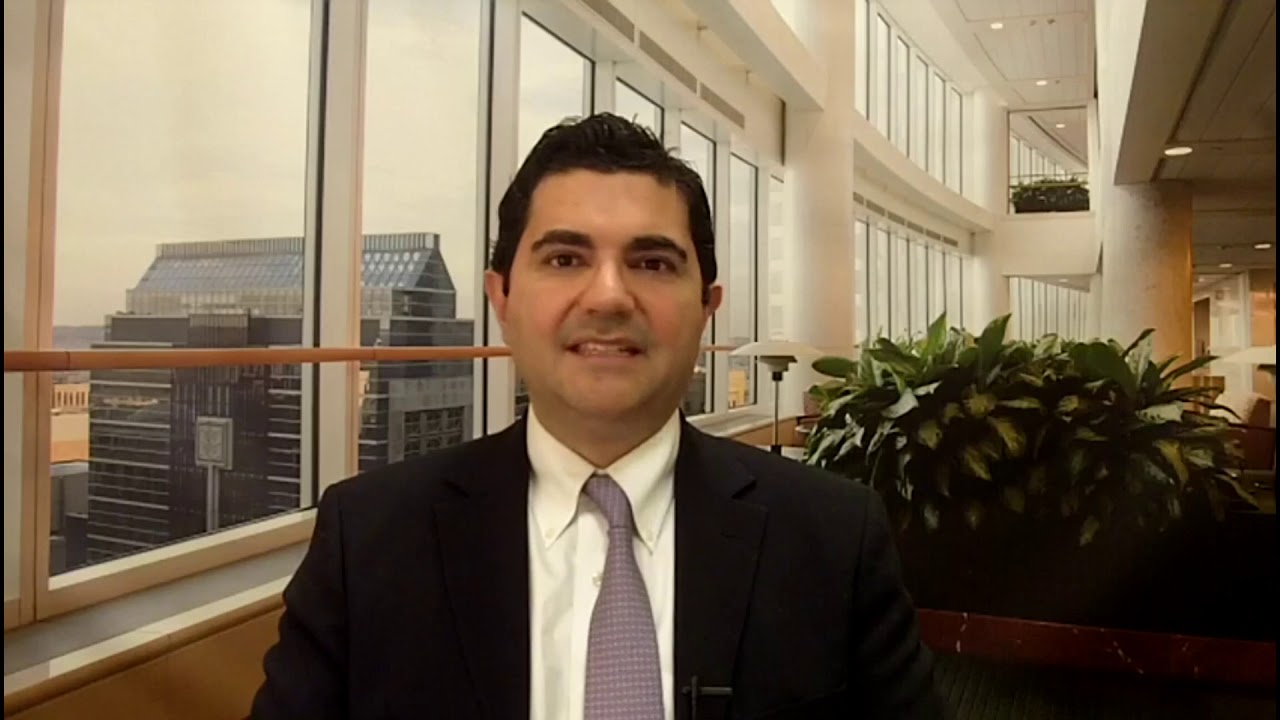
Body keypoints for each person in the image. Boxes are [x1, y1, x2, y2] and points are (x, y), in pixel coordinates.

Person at [251, 113, 946, 719]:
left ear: (708, 306)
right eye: (565, 258)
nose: (609, 296)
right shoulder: (368, 540)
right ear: (502, 298)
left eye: (652, 263)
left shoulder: (832, 539)